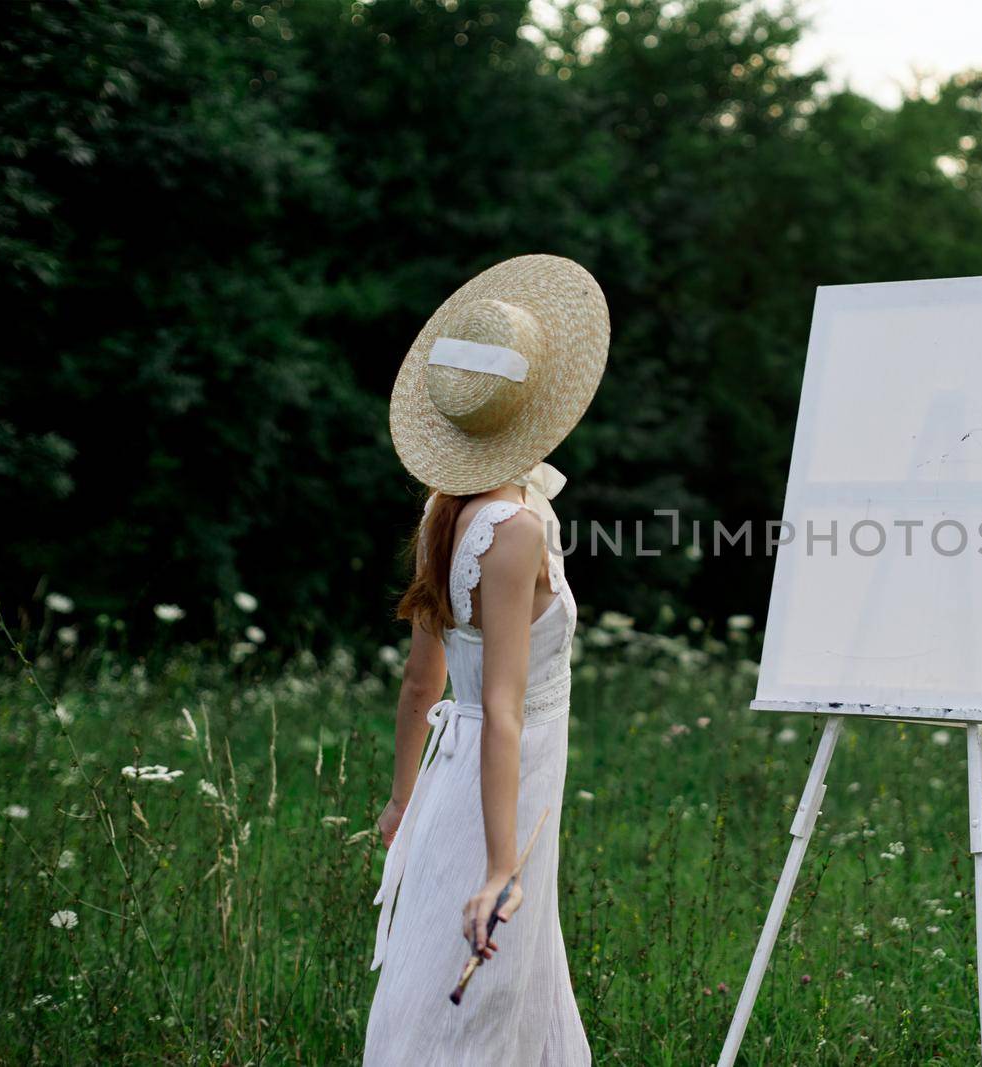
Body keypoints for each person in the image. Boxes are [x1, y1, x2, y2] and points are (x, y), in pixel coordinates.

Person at [364, 254, 608, 1066]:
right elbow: (502, 705)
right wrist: (504, 862)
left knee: (474, 968)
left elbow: (419, 684)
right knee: (478, 986)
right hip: (507, 769)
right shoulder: (515, 529)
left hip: (448, 772)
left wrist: (404, 800)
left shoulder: (445, 506)